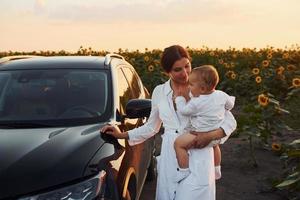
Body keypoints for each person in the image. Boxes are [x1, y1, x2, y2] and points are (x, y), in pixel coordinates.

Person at [101, 45, 237, 200]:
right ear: (167, 72)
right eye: (177, 69)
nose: (185, 73)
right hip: (171, 157)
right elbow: (152, 127)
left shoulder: (202, 87)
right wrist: (122, 135)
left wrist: (210, 135)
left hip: (199, 154)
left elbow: (230, 122)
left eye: (187, 66)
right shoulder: (159, 91)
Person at [173, 65, 235, 183]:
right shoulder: (221, 95)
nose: (189, 87)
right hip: (217, 136)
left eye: (191, 85)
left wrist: (179, 99)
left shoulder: (197, 102)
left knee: (178, 144)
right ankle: (217, 169)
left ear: (201, 89)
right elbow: (230, 105)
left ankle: (183, 171)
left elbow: (184, 111)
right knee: (215, 147)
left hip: (199, 135)